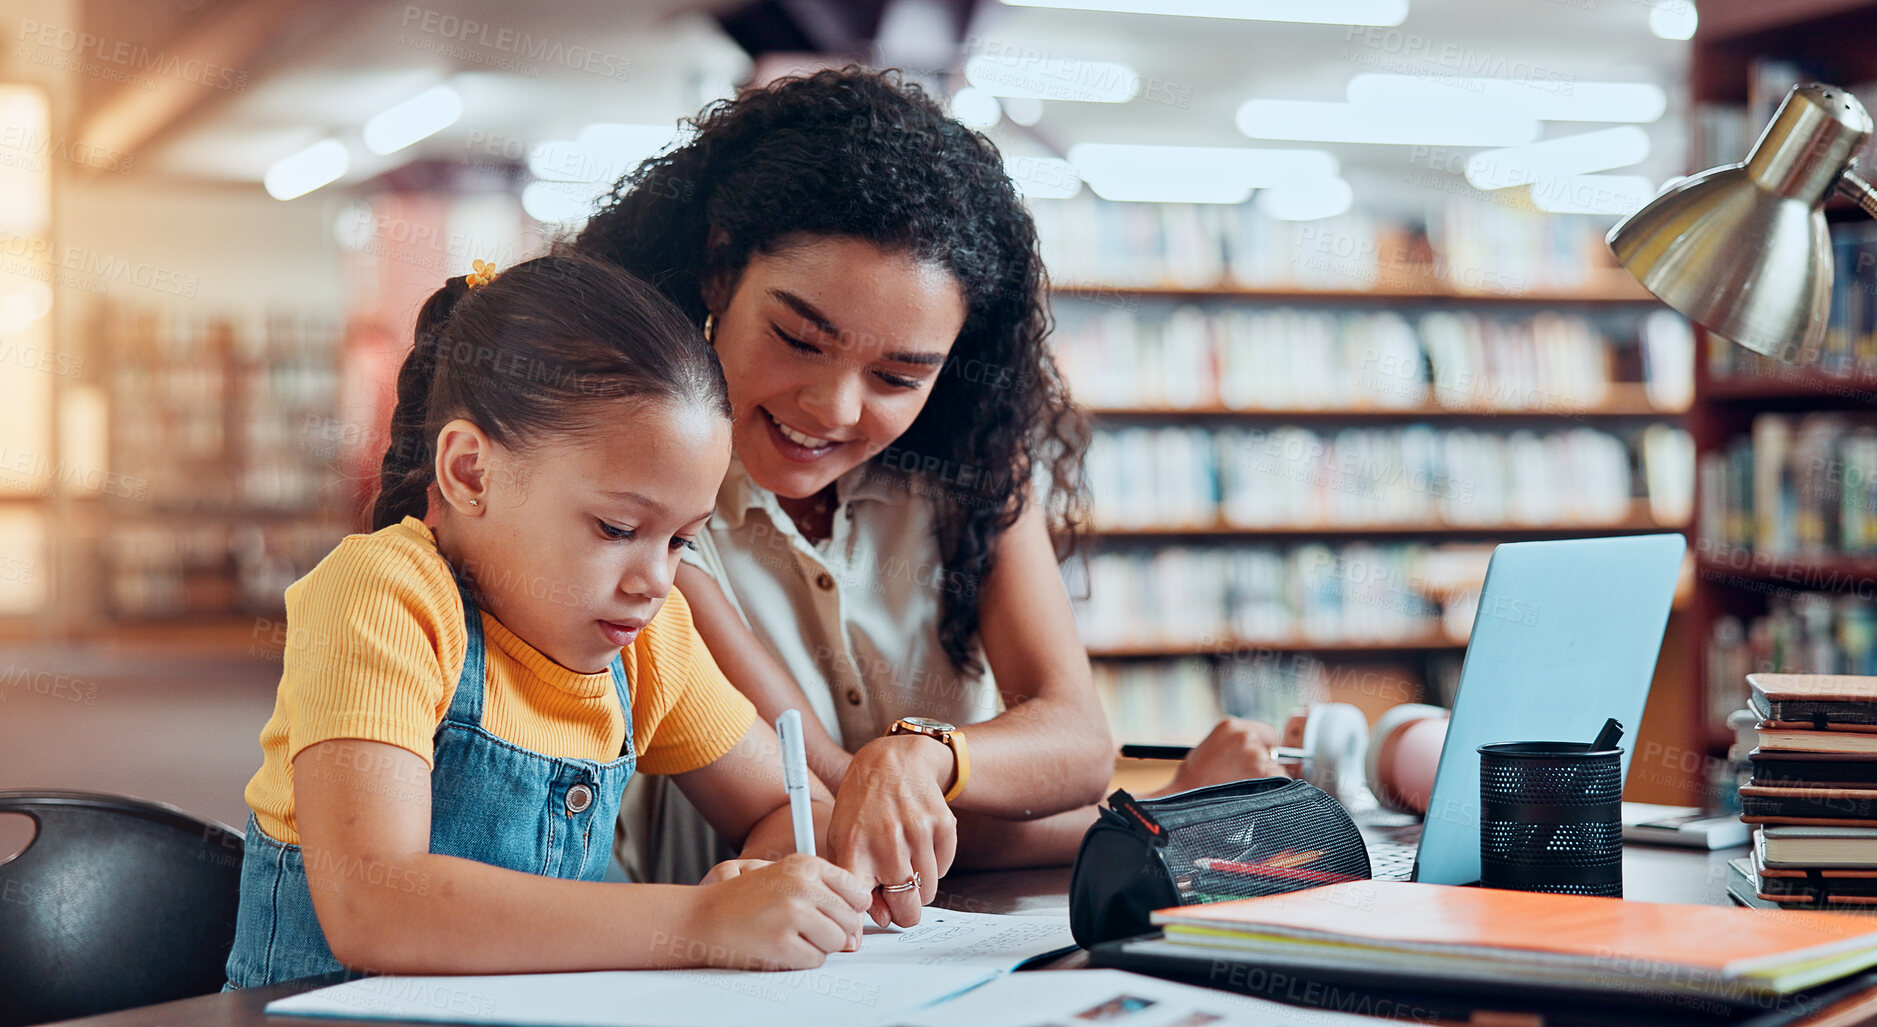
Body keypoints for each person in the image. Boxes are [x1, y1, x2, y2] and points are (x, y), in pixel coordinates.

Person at [574, 68, 1294, 923]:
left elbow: (1073, 737)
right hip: (712, 947)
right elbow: (842, 806)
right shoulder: (649, 494)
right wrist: (1154, 811)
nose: (834, 408)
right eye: (800, 339)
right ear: (718, 271)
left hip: (916, 936)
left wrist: (925, 756)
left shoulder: (973, 465)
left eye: (897, 374)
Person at [223, 255, 870, 989]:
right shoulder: (383, 595)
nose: (654, 579)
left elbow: (795, 807)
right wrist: (701, 919)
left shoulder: (648, 641)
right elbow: (375, 904)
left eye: (682, 540)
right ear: (471, 472)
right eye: (616, 526)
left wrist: (766, 876)